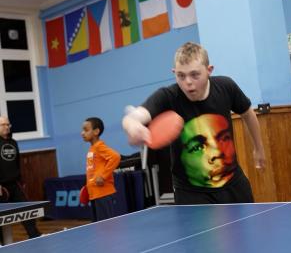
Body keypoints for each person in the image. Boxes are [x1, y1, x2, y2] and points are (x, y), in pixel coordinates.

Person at [122, 42, 266, 205]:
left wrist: (258, 148)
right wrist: (133, 126)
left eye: (194, 75)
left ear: (209, 70)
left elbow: (247, 113)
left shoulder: (226, 87)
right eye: (181, 76)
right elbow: (134, 117)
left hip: (233, 184)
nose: (188, 82)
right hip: (191, 193)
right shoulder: (168, 96)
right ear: (174, 73)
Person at [0, 116, 41, 242]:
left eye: (8, 124)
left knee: (26, 210)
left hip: (15, 183)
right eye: (3, 125)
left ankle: (35, 235)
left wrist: (21, 180)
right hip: (1, 187)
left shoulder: (13, 142)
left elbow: (17, 163)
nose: (6, 127)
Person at [81, 117, 121, 221]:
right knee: (99, 228)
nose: (82, 133)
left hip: (103, 194)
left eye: (86, 130)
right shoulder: (92, 148)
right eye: (82, 130)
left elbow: (115, 157)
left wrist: (103, 176)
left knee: (107, 229)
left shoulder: (99, 146)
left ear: (96, 131)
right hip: (94, 194)